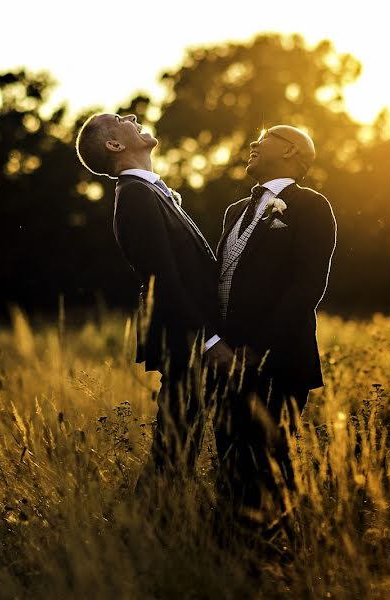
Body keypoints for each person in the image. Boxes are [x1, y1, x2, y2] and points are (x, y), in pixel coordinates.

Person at [75, 113, 233, 491]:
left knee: (183, 442)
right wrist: (210, 342)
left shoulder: (150, 192)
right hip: (187, 342)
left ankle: (160, 523)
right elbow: (163, 282)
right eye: (119, 119)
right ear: (115, 145)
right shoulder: (135, 197)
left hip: (193, 338)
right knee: (176, 448)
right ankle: (148, 526)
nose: (130, 116)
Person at [214, 125, 337, 528]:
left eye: (263, 138)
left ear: (290, 151)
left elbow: (307, 287)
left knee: (270, 459)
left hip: (278, 361)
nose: (252, 143)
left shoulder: (312, 207)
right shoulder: (234, 211)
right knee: (229, 458)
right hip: (226, 361)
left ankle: (278, 548)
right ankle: (231, 545)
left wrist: (258, 349)